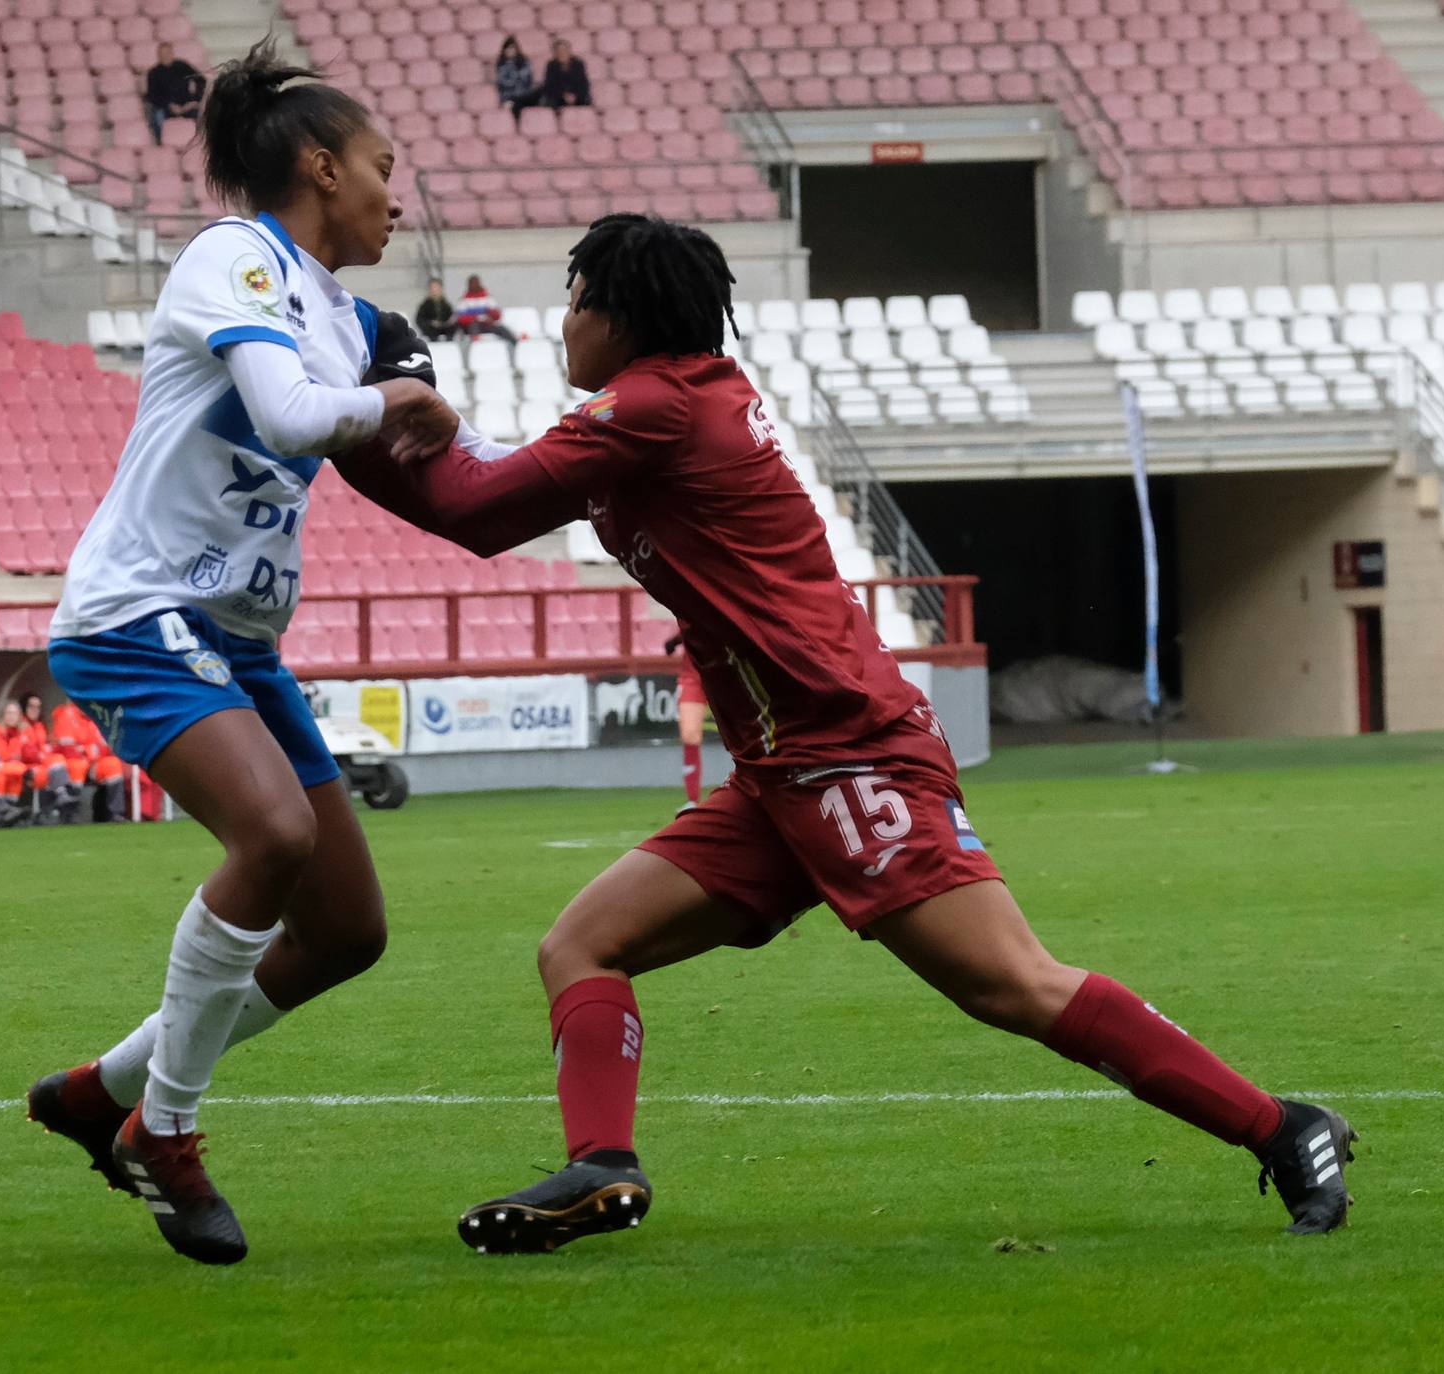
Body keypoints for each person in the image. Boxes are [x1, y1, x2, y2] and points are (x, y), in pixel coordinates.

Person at [339, 213, 1358, 1254]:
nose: (561, 322)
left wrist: (340, 419)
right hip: (784, 768)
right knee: (581, 944)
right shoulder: (672, 402)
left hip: (845, 750)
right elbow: (495, 476)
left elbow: (474, 511)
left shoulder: (649, 408)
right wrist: (406, 411)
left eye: (572, 299)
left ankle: (1282, 1129)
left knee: (1008, 982)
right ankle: (601, 1168)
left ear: (616, 312)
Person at [25, 38, 461, 1268]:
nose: (395, 189)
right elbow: (288, 415)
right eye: (382, 165)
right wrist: (399, 402)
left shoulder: (347, 312)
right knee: (271, 838)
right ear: (318, 167)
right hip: (138, 612)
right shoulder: (233, 258)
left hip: (238, 639)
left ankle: (99, 1093)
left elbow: (418, 431)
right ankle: (166, 1133)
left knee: (347, 930)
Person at [664, 632, 707, 811]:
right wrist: (676, 640)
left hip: (730, 671)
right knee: (690, 736)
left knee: (750, 733)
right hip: (694, 675)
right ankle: (692, 800)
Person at [145, 42, 207, 146]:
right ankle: (161, 145)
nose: (166, 56)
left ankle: (199, 144)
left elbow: (201, 80)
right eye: (162, 54)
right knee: (157, 116)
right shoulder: (153, 73)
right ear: (158, 55)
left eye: (168, 53)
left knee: (202, 115)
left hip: (187, 105)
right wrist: (169, 105)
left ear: (173, 53)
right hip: (166, 107)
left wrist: (195, 100)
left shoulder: (183, 66)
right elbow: (152, 96)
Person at [455, 274, 519, 343]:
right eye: (472, 283)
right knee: (473, 325)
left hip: (486, 325)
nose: (474, 285)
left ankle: (516, 344)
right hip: (470, 327)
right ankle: (475, 345)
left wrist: (489, 313)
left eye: (476, 283)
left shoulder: (488, 298)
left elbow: (497, 316)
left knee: (501, 328)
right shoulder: (463, 300)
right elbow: (460, 318)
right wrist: (476, 318)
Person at [494, 38, 542, 120]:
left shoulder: (524, 61)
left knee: (541, 89)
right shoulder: (501, 65)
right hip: (511, 96)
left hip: (525, 94)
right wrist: (518, 75)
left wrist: (517, 76)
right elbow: (505, 83)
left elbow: (529, 78)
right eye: (508, 48)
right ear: (504, 50)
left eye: (512, 48)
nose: (510, 51)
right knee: (516, 104)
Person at [541, 38, 592, 109]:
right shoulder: (551, 65)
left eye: (564, 50)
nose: (561, 53)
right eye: (558, 51)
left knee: (585, 100)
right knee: (549, 100)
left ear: (569, 51)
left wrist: (574, 95)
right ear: (555, 53)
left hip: (576, 95)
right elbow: (549, 85)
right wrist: (563, 95)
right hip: (559, 96)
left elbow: (583, 83)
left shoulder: (578, 64)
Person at [413, 276, 458, 342]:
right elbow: (419, 319)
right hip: (431, 329)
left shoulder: (445, 304)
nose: (434, 290)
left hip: (444, 327)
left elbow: (450, 316)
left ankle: (449, 344)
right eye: (432, 287)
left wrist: (447, 322)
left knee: (452, 328)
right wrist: (431, 323)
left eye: (437, 287)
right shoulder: (425, 304)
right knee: (431, 331)